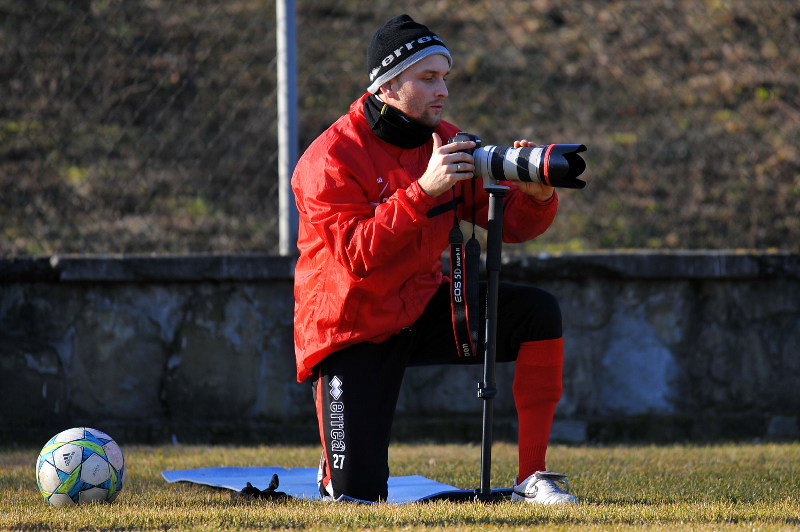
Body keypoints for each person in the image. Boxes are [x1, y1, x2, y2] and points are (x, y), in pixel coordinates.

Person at [291, 14, 578, 505]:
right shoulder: (329, 159)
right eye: (427, 78)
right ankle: (334, 469)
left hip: (421, 304)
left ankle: (533, 477)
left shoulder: (442, 138)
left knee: (537, 313)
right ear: (387, 86)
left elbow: (510, 225)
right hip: (350, 326)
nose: (442, 90)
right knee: (358, 497)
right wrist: (423, 191)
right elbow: (357, 255)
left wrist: (537, 196)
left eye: (444, 76)